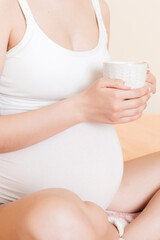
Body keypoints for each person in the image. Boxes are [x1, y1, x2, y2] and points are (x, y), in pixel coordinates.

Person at [0, 0, 159, 239]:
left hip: (104, 195)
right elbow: (84, 105)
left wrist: (124, 98)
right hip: (19, 203)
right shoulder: (7, 9)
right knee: (57, 218)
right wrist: (82, 107)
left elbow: (91, 113)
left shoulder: (98, 9)